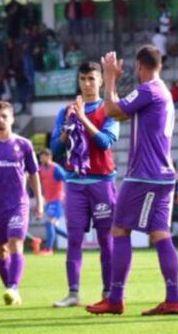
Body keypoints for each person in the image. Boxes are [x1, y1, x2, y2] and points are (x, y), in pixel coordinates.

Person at [91, 47, 178, 316]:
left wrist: (108, 79)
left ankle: (115, 298)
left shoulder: (148, 90)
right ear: (160, 66)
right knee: (160, 234)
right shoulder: (161, 91)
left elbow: (109, 110)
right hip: (163, 174)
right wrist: (115, 85)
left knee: (119, 230)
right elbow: (120, 112)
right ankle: (173, 299)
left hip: (144, 174)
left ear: (139, 66)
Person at [49, 61, 120, 309]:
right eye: (83, 79)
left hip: (102, 182)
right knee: (74, 239)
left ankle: (108, 292)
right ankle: (73, 293)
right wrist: (68, 129)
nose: (87, 84)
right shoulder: (65, 111)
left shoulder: (109, 109)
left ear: (100, 81)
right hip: (75, 183)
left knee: (106, 240)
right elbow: (55, 148)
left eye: (91, 78)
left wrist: (83, 119)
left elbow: (104, 143)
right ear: (78, 81)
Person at [0, 101, 44, 306]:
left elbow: (34, 174)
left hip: (18, 203)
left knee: (15, 242)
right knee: (1, 250)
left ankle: (13, 287)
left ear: (12, 119)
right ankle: (11, 290)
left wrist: (39, 200)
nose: (0, 120)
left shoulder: (24, 145)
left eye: (4, 116)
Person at [36, 150, 67, 256]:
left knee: (49, 224)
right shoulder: (41, 169)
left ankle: (48, 249)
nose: (41, 159)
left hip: (57, 200)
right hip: (49, 201)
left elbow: (66, 179)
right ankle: (73, 239)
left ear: (49, 156)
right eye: (40, 157)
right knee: (51, 225)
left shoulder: (56, 169)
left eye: (43, 157)